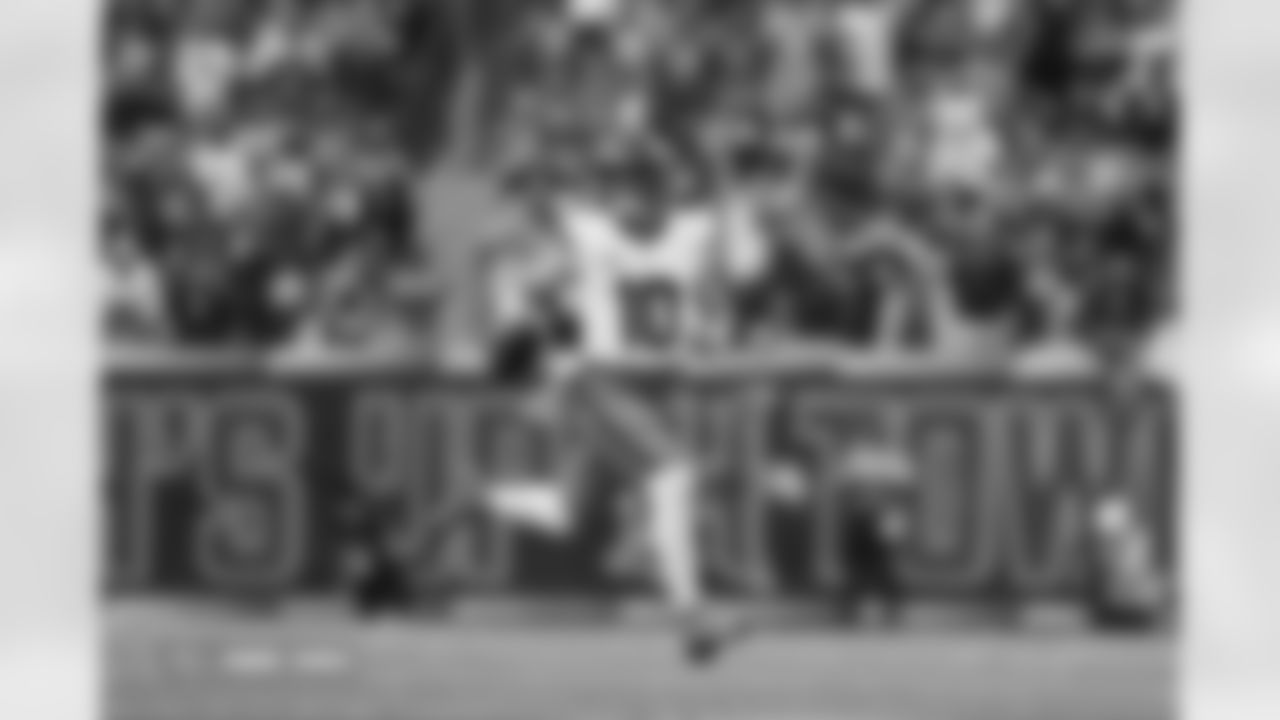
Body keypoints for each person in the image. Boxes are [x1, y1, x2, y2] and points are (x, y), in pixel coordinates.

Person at [483, 154, 751, 665]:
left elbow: (715, 297)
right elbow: (540, 278)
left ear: (665, 189)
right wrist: (545, 345)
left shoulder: (694, 233)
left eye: (644, 186)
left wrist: (708, 325)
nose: (634, 199)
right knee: (674, 476)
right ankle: (694, 620)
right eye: (626, 187)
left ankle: (477, 499)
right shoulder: (591, 235)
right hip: (603, 385)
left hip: (649, 391)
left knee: (567, 512)